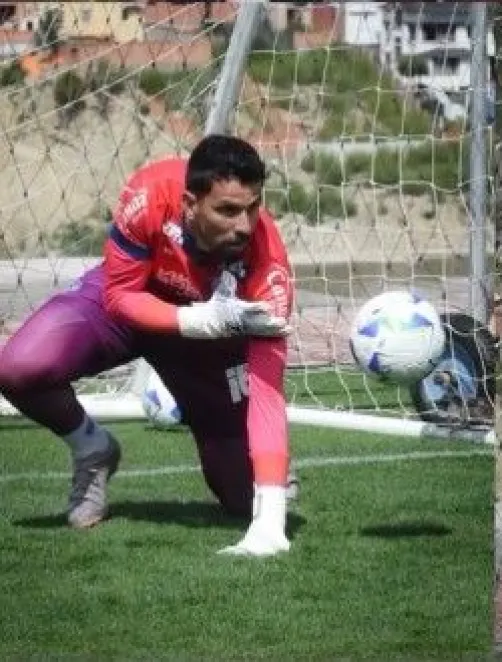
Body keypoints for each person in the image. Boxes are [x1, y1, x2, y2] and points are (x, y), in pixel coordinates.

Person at [0, 135, 297, 557]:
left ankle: (264, 466)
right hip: (130, 305)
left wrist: (270, 521)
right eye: (228, 210)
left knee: (242, 498)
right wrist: (196, 318)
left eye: (253, 208)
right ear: (190, 204)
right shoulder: (149, 193)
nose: (245, 226)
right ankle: (93, 448)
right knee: (19, 368)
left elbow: (268, 391)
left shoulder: (269, 269)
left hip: (204, 348)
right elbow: (119, 295)